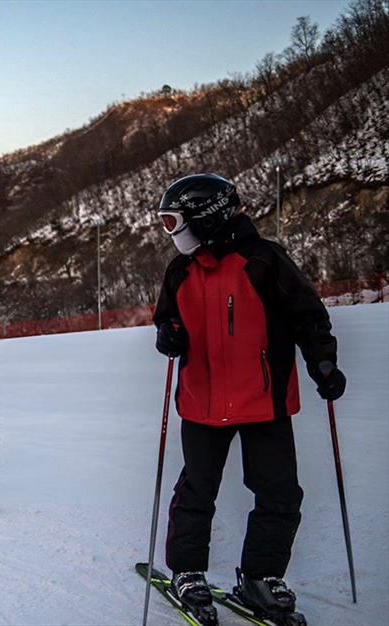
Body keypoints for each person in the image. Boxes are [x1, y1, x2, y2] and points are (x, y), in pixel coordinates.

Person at [152, 173, 347, 620]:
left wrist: (324, 362)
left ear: (206, 217)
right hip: (203, 401)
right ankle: (187, 571)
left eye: (173, 222)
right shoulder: (180, 270)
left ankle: (261, 577)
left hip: (264, 401)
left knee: (279, 494)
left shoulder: (264, 260)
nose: (172, 233)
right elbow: (167, 317)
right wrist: (169, 334)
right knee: (197, 491)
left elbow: (308, 317)